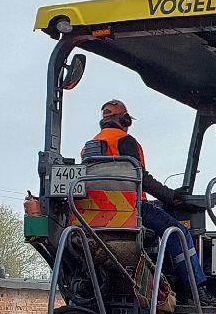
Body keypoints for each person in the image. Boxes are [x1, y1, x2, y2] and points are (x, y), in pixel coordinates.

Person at [82, 99, 207, 298]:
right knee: (179, 234)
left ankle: (167, 281)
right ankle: (198, 291)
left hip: (96, 216)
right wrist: (171, 196)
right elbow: (141, 177)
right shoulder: (125, 141)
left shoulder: (89, 148)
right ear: (124, 119)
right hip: (130, 208)